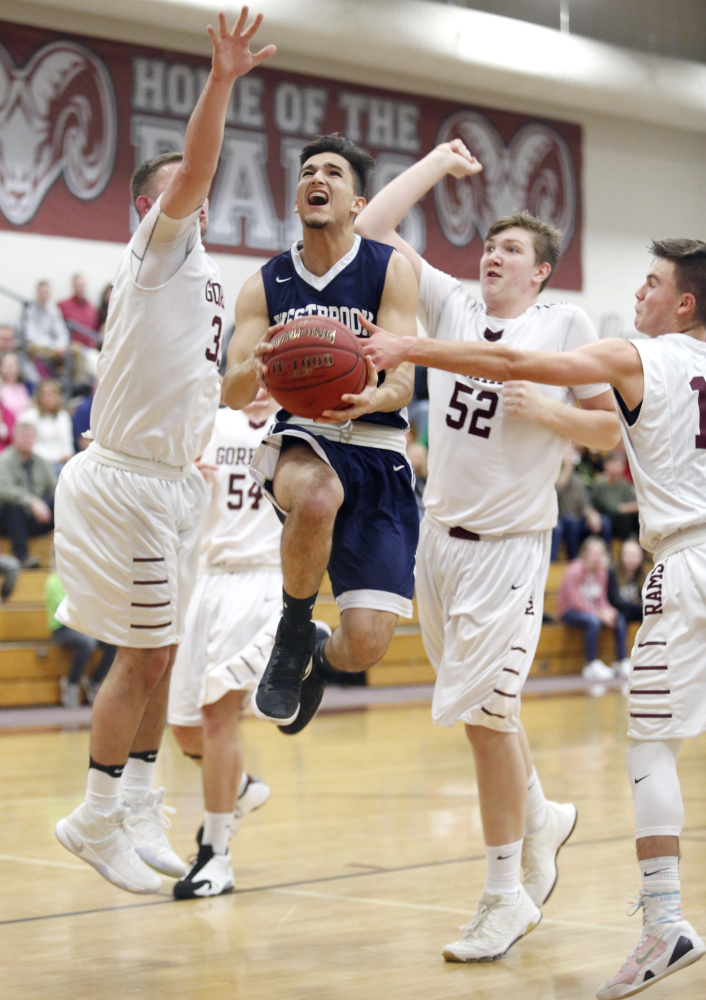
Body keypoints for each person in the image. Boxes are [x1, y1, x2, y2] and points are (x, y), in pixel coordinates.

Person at [364, 237, 706, 997]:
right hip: (456, 541)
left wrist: (407, 345)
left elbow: (517, 366)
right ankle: (548, 830)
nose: (638, 293)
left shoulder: (634, 354)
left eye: (650, 283)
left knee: (652, 748)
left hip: (684, 560)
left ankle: (665, 921)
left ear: (685, 303)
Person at [356, 139, 621, 963]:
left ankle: (505, 893)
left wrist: (552, 417)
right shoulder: (452, 306)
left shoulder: (563, 322)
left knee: (484, 716)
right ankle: (542, 816)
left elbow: (611, 426)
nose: (493, 256)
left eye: (512, 251)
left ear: (541, 272)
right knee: (484, 716)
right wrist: (438, 161)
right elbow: (372, 227)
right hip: (439, 543)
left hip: (510, 546)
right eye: (489, 247)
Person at [52, 9, 276, 896]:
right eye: (185, 181)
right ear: (155, 200)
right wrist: (219, 83)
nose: (202, 189)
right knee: (142, 656)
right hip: (128, 481)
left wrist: (257, 385)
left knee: (166, 652)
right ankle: (95, 813)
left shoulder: (211, 276)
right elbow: (203, 163)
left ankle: (139, 798)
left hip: (173, 478)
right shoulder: (157, 243)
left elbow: (192, 381)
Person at [221, 132, 420, 734]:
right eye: (309, 170)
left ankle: (320, 656)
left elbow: (405, 379)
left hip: (379, 449)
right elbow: (230, 390)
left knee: (367, 645)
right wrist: (253, 369)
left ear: (357, 202)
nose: (318, 178)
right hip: (304, 436)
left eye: (334, 172)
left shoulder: (390, 270)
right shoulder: (267, 282)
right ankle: (293, 628)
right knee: (315, 495)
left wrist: (374, 396)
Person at [168, 391, 280, 898]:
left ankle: (215, 854)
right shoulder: (211, 422)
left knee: (217, 715)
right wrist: (190, 479)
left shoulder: (298, 426)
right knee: (185, 728)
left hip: (261, 578)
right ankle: (241, 787)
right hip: (206, 577)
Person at [556, 536, 629, 680]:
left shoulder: (601, 572)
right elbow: (575, 601)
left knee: (618, 617)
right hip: (569, 611)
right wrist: (598, 613)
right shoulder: (574, 570)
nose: (597, 557)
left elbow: (601, 598)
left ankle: (621, 661)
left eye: (601, 554)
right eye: (594, 553)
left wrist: (608, 610)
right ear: (585, 553)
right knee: (593, 621)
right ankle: (590, 664)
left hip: (592, 611)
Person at [45, 570, 117, 708]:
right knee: (87, 642)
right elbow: (66, 608)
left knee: (112, 642)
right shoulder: (53, 581)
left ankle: (94, 680)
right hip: (61, 628)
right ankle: (71, 683)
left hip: (83, 625)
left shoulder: (78, 577)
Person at [0, 420, 56, 567]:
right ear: (14, 438)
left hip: (37, 518)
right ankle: (22, 559)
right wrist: (31, 501)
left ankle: (67, 559)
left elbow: (55, 487)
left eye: (30, 436)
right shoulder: (4, 461)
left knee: (62, 502)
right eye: (23, 436)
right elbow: (3, 490)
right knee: (13, 508)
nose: (26, 440)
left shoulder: (41, 462)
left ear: (35, 439)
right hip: (9, 520)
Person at [552, 441, 609, 560]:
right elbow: (555, 493)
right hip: (558, 518)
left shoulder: (577, 478)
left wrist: (591, 514)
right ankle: (573, 560)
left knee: (604, 522)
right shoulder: (552, 474)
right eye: (567, 453)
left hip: (576, 517)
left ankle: (605, 558)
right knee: (570, 524)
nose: (570, 456)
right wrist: (567, 469)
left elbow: (584, 504)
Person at [18, 280, 69, 379]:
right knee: (34, 349)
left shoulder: (54, 310)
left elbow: (62, 332)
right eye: (42, 292)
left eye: (47, 292)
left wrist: (61, 345)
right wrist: (52, 345)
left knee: (74, 352)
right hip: (36, 346)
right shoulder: (29, 309)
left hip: (53, 347)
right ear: (37, 292)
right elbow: (30, 335)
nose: (44, 295)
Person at [23, 379, 75, 471]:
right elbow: (30, 446)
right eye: (45, 395)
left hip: (64, 461)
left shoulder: (63, 416)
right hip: (39, 463)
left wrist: (67, 455)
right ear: (39, 397)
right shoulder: (29, 416)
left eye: (52, 395)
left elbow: (67, 442)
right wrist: (56, 457)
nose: (48, 398)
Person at [608, 538, 648, 625]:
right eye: (628, 555)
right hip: (619, 612)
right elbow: (616, 601)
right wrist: (639, 606)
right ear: (621, 555)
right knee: (620, 618)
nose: (631, 559)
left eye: (634, 555)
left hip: (634, 611)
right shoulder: (612, 573)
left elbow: (645, 599)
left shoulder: (642, 574)